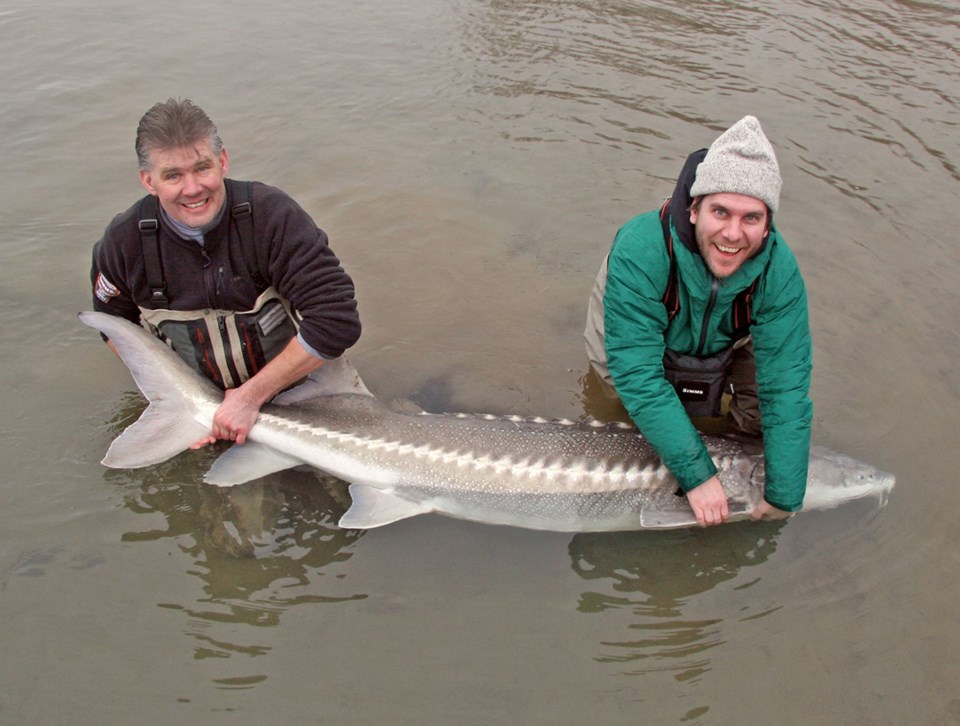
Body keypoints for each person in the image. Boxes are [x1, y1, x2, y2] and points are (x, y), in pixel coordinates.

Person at [91, 98, 361, 447]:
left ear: (222, 161)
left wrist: (249, 398)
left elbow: (337, 321)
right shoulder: (123, 242)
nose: (192, 189)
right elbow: (115, 328)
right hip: (207, 412)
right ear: (148, 181)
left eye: (202, 168)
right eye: (173, 175)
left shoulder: (271, 216)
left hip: (303, 391)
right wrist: (184, 404)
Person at [584, 115, 812, 527]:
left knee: (760, 423)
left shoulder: (780, 272)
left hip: (731, 333)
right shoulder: (642, 248)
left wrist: (784, 495)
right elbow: (637, 374)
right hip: (644, 318)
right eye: (720, 212)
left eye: (751, 218)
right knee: (622, 402)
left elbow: (787, 390)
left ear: (767, 225)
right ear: (693, 209)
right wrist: (698, 474)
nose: (733, 233)